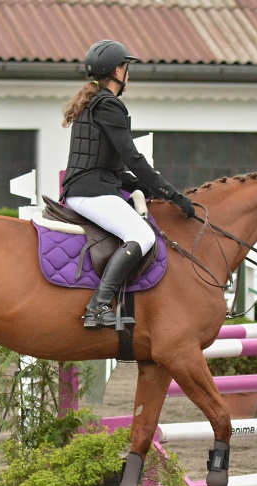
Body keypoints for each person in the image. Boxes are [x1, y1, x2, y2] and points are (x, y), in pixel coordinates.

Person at [61, 39, 195, 330]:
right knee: (142, 235)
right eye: (126, 67)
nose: (128, 73)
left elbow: (109, 166)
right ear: (116, 71)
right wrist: (171, 194)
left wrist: (146, 189)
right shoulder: (109, 105)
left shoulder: (91, 103)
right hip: (90, 193)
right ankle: (97, 308)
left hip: (85, 188)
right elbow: (133, 159)